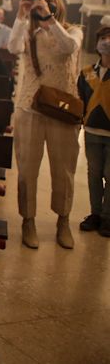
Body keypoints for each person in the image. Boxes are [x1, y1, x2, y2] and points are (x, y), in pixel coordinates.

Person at [8, 0, 83, 249]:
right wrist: (21, 16)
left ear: (58, 5)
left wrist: (49, 18)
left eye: (50, 0)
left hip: (63, 109)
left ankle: (63, 221)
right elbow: (12, 46)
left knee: (64, 169)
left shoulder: (73, 31)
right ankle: (28, 221)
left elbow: (67, 49)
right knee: (27, 168)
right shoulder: (30, 33)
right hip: (30, 108)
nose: (44, 3)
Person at [78, 24, 110, 237]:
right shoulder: (87, 72)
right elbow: (80, 99)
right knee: (94, 174)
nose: (107, 42)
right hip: (92, 130)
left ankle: (108, 217)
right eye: (104, 38)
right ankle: (95, 214)